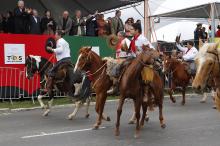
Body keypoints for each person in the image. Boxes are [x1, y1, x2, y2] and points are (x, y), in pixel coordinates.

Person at [46, 30, 75, 95]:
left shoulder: (59, 41)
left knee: (50, 72)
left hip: (62, 61)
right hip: (68, 60)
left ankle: (49, 88)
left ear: (59, 35)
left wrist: (51, 49)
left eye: (56, 35)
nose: (55, 36)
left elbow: (60, 50)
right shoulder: (65, 42)